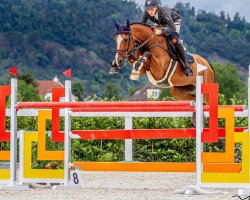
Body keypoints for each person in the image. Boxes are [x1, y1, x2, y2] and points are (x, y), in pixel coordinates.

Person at [142, 0, 193, 77]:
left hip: (174, 21)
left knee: (174, 40)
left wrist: (161, 32)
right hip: (161, 23)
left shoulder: (163, 12)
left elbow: (172, 28)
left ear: (157, 8)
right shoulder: (147, 13)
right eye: (148, 9)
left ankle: (186, 65)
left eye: (152, 9)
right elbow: (142, 25)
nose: (150, 11)